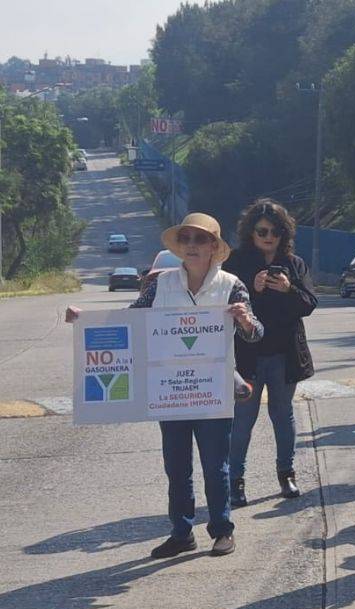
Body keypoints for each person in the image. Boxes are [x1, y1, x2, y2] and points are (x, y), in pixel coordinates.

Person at [65, 213, 263, 558]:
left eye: (199, 240)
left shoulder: (231, 284)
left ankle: (222, 529)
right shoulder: (161, 284)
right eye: (185, 239)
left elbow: (256, 332)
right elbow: (129, 321)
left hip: (212, 389)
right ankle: (181, 531)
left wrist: (245, 321)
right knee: (176, 465)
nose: (191, 246)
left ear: (214, 247)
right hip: (170, 389)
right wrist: (84, 320)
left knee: (216, 465)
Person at [222, 199, 317, 506]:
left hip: (285, 355)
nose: (268, 236)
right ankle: (235, 481)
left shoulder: (294, 263)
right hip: (247, 356)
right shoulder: (236, 263)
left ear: (284, 233)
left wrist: (288, 288)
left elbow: (310, 304)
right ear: (251, 231)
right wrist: (252, 288)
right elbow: (225, 304)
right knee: (243, 420)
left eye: (275, 231)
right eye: (262, 230)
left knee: (283, 415)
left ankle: (286, 474)